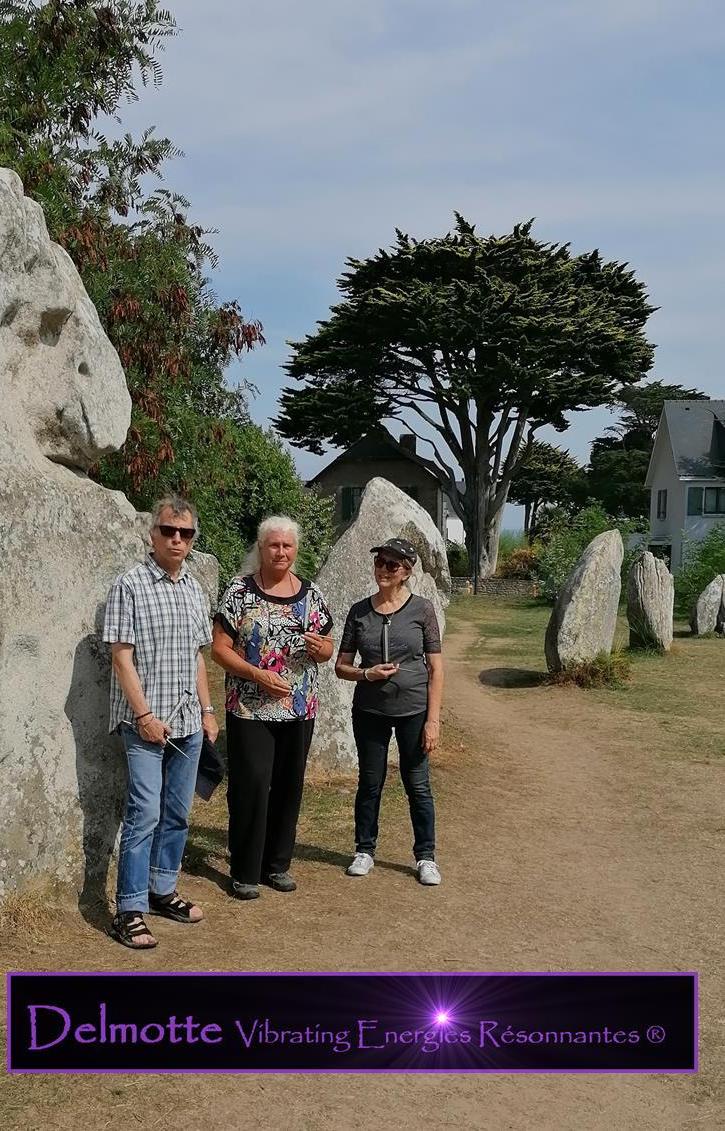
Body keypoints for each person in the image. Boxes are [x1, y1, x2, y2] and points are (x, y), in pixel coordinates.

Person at [103, 495, 218, 949]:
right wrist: (144, 715)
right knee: (144, 814)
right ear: (152, 534)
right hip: (145, 725)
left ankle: (162, 889)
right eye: (168, 530)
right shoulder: (129, 585)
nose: (176, 539)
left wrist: (209, 713)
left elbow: (197, 658)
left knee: (176, 813)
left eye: (185, 533)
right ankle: (128, 910)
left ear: (192, 539)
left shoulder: (194, 589)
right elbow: (120, 656)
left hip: (188, 722)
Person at [211, 516, 333, 900]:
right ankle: (245, 869)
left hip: (299, 708)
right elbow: (218, 649)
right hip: (250, 709)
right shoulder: (240, 592)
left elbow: (329, 646)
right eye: (274, 545)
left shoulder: (310, 594)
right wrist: (255, 674)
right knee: (251, 786)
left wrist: (321, 649)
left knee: (288, 787)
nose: (281, 552)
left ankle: (277, 864)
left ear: (295, 550)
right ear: (261, 549)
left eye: (287, 546)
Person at [335, 538, 444, 885]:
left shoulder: (422, 610)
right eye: (380, 562)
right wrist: (366, 674)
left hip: (413, 710)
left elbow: (436, 669)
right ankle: (364, 850)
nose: (383, 570)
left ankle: (425, 857)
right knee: (370, 783)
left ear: (406, 572)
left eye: (391, 565)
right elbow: (341, 666)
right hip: (370, 710)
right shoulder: (359, 612)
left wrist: (433, 720)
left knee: (418, 784)